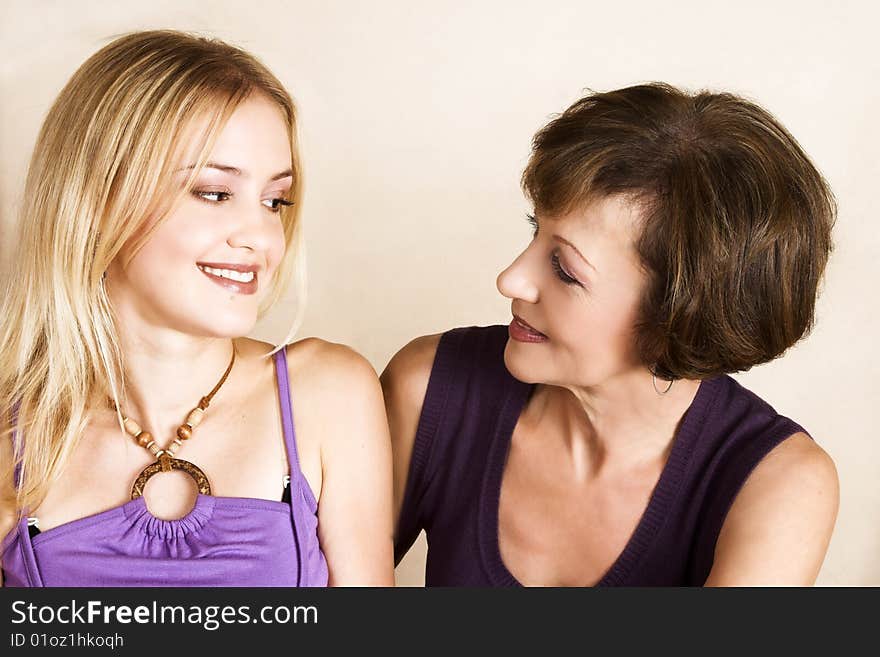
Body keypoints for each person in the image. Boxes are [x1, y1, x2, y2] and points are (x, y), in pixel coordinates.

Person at [383, 83, 839, 586]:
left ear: (680, 315)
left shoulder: (777, 484)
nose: (510, 279)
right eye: (535, 229)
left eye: (564, 268)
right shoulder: (429, 390)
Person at [0, 30, 393, 586]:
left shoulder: (328, 392)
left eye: (274, 201)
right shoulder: (14, 432)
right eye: (213, 192)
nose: (261, 236)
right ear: (98, 198)